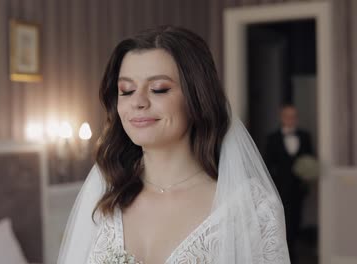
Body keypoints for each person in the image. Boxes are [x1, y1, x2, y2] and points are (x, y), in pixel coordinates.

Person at [58, 26, 290, 264]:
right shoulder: (104, 198)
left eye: (159, 89)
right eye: (126, 91)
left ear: (197, 97)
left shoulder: (252, 208)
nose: (137, 102)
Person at [265, 105, 314, 263]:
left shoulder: (305, 136)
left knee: (296, 221)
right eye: (287, 116)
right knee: (280, 222)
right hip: (279, 190)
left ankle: (292, 254)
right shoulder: (272, 138)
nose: (291, 119)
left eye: (294, 116)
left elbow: (310, 158)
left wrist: (308, 174)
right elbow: (266, 164)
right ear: (282, 117)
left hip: (298, 189)